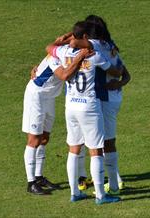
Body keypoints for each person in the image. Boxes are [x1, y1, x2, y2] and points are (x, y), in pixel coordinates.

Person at [46, 21, 122, 204]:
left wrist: (63, 40)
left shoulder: (64, 52)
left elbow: (50, 48)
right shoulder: (94, 56)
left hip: (70, 106)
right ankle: (101, 196)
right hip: (89, 106)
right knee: (95, 150)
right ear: (87, 37)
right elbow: (115, 71)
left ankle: (75, 193)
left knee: (74, 149)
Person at [68, 15, 131, 194]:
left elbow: (72, 44)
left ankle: (113, 184)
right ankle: (113, 180)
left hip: (103, 99)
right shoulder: (110, 46)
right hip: (114, 97)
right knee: (107, 141)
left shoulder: (93, 45)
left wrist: (69, 36)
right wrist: (118, 83)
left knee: (102, 144)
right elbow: (125, 74)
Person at [22, 47, 91, 195]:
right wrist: (80, 58)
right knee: (34, 139)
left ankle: (39, 177)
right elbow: (64, 75)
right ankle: (31, 182)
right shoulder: (56, 57)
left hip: (49, 97)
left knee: (45, 137)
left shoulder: (66, 55)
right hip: (36, 96)